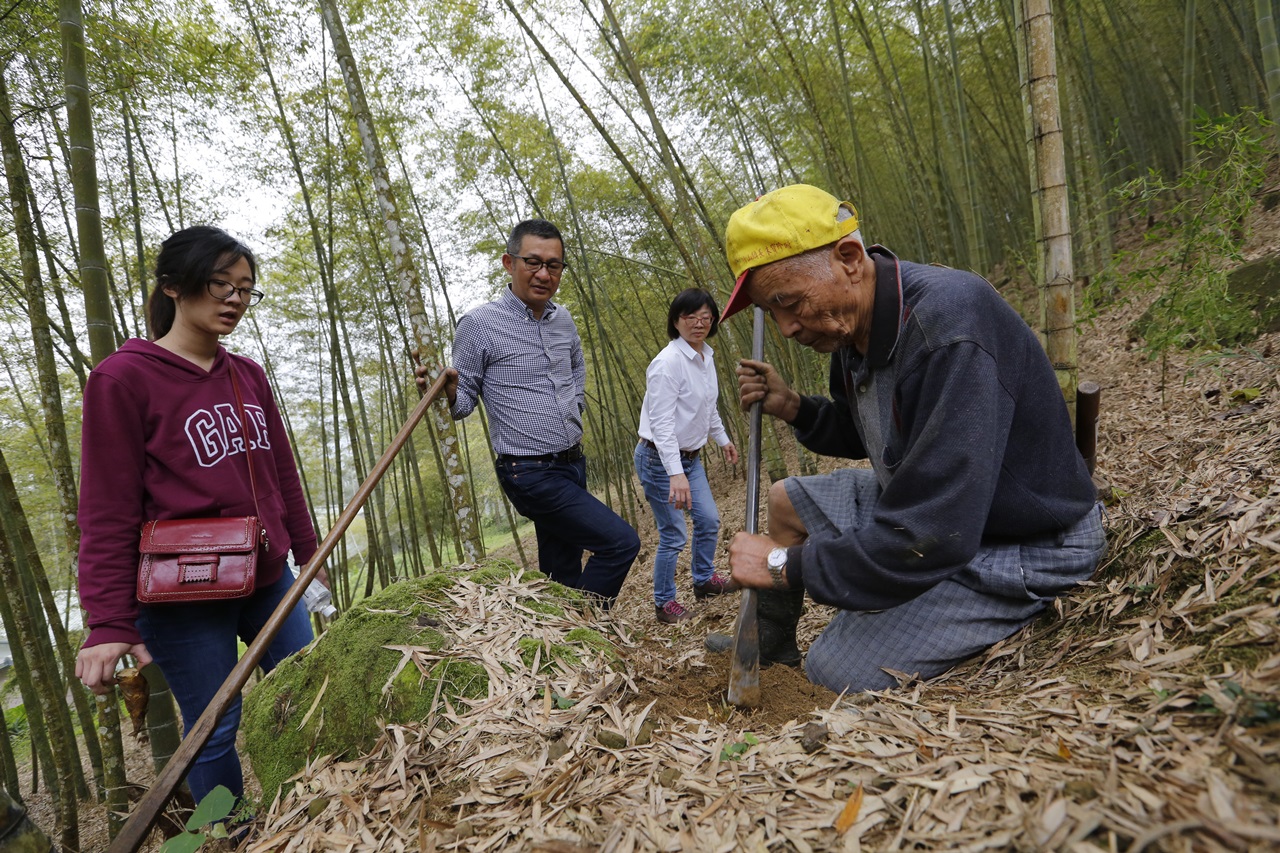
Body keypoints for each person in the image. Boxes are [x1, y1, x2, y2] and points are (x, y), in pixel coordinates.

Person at [711, 184, 1106, 693]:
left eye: (789, 302)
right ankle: (770, 640)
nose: (787, 327)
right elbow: (874, 435)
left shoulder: (949, 327)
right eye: (773, 311)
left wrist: (784, 565)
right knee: (786, 500)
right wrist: (795, 407)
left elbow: (932, 533)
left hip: (1021, 542)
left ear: (849, 258)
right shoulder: (853, 328)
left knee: (832, 671)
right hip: (944, 508)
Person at [75, 226, 324, 803]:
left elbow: (281, 475)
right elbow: (107, 510)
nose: (234, 300)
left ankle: (324, 810)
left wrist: (310, 559)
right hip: (182, 596)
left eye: (245, 289)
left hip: (268, 580)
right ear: (174, 287)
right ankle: (226, 833)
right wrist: (109, 621)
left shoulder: (247, 375)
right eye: (220, 285)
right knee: (214, 729)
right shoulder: (123, 378)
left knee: (311, 690)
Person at [422, 219, 639, 606]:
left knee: (562, 572)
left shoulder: (564, 319)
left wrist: (575, 409)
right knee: (620, 543)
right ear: (509, 262)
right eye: (532, 262)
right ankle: (584, 627)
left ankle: (564, 647)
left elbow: (576, 367)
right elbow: (465, 401)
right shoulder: (479, 324)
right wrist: (447, 393)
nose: (543, 274)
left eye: (553, 265)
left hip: (573, 462)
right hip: (530, 473)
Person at [634, 288, 741, 624]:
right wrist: (675, 473)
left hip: (690, 460)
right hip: (659, 461)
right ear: (676, 321)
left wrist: (722, 439)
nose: (699, 323)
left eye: (706, 317)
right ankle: (664, 604)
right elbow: (661, 423)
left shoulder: (705, 357)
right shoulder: (667, 364)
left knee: (709, 520)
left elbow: (707, 407)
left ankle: (704, 581)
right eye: (690, 317)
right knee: (674, 533)